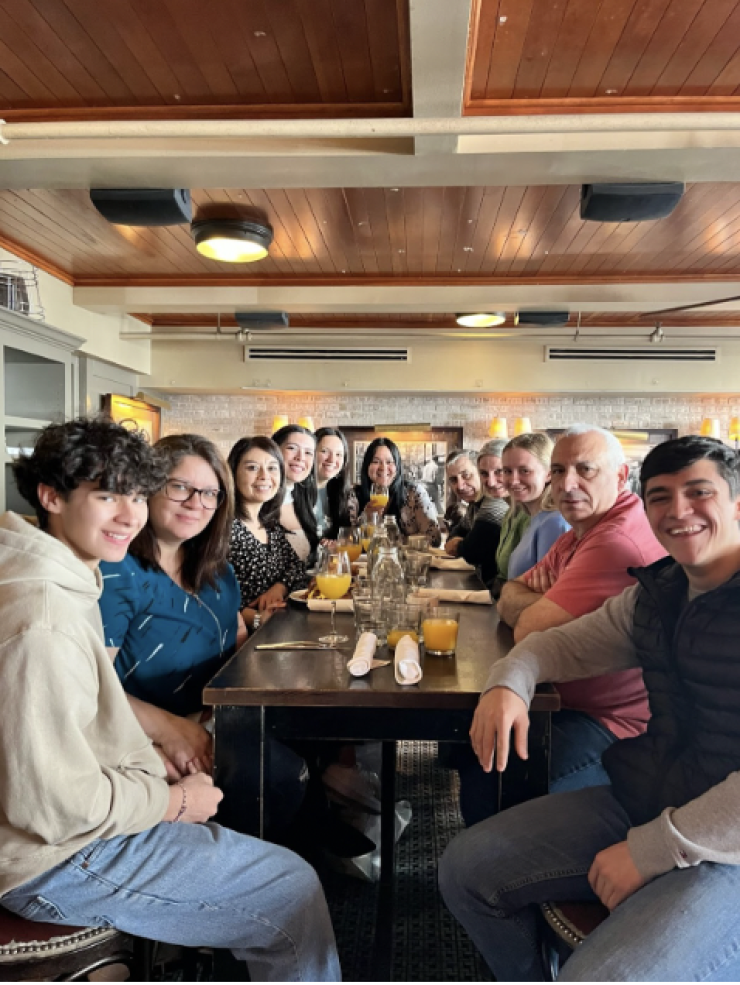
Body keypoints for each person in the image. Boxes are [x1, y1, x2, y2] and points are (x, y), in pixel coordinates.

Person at [0, 418, 340, 982]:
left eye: (135, 494)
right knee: (292, 889)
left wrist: (157, 769)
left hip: (86, 814)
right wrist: (174, 802)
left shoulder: (66, 576)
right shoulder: (45, 619)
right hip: (50, 861)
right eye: (108, 495)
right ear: (51, 495)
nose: (129, 514)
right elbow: (57, 808)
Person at [440, 435, 740, 982]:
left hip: (727, 852)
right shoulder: (659, 591)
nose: (678, 512)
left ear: (737, 501)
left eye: (698, 493)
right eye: (660, 497)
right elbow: (559, 643)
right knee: (465, 869)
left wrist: (654, 848)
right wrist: (508, 681)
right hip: (651, 794)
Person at [458, 425, 664, 826]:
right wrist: (539, 603)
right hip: (561, 695)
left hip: (612, 723)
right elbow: (511, 592)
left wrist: (533, 606)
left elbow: (527, 627)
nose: (568, 484)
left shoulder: (614, 539)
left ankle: (504, 870)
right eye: (559, 470)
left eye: (585, 470)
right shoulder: (580, 532)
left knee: (488, 770)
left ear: (621, 477)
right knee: (474, 743)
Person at [227, 435, 307, 631]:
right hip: (242, 643)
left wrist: (278, 588)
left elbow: (297, 567)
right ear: (233, 472)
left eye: (272, 468)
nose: (264, 476)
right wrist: (255, 618)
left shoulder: (269, 525)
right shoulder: (224, 528)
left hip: (280, 629)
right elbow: (209, 596)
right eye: (252, 468)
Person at [494, 432, 568, 587]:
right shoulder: (536, 518)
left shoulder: (554, 522)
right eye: (507, 471)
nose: (514, 481)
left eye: (524, 471)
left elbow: (548, 595)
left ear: (548, 474)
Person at [355, 436, 442, 546]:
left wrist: (394, 543)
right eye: (376, 461)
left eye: (389, 462)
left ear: (397, 467)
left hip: (407, 562)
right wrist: (365, 519)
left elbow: (434, 538)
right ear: (367, 466)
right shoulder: (354, 495)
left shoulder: (414, 493)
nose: (383, 467)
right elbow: (346, 541)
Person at [445, 445, 508, 586]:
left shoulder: (495, 501)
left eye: (466, 475)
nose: (460, 486)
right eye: (454, 480)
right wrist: (462, 543)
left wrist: (462, 545)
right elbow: (455, 533)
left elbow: (473, 550)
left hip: (497, 592)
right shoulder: (475, 505)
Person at [272, 423, 318, 562]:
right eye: (292, 448)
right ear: (274, 451)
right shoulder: (260, 502)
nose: (301, 457)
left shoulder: (301, 500)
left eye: (308, 453)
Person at [314, 426, 358, 539]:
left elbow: (349, 537)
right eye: (324, 451)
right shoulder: (294, 493)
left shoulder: (343, 493)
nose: (332, 460)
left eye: (338, 454)